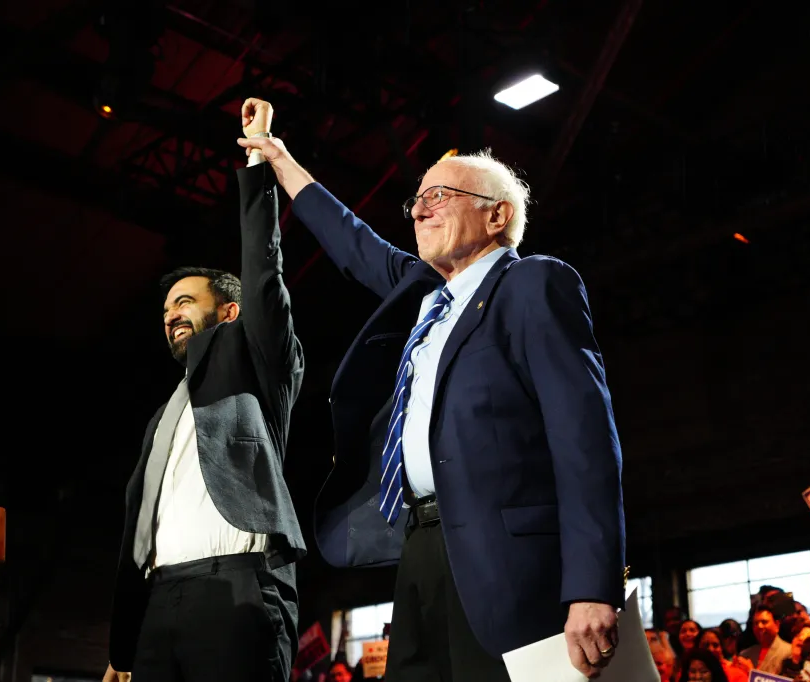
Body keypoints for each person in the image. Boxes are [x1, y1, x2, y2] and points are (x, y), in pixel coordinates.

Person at [239, 98, 626, 681]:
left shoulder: (531, 284)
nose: (420, 210)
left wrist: (594, 585)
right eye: (417, 199)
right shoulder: (422, 294)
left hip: (507, 555)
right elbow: (351, 240)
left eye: (440, 196)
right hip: (419, 543)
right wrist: (278, 156)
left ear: (497, 217)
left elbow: (586, 439)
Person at [102, 100, 305, 682]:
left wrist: (257, 162)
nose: (171, 316)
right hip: (160, 602)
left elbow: (263, 269)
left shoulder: (259, 365)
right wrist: (126, 644)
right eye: (166, 310)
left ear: (231, 311)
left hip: (235, 589)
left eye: (185, 302)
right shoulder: (165, 416)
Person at [740, 604, 792, 675]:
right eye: (756, 623)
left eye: (764, 622)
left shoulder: (788, 652)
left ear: (777, 625)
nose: (759, 626)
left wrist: (752, 672)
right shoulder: (745, 654)